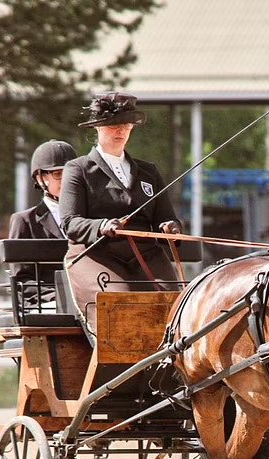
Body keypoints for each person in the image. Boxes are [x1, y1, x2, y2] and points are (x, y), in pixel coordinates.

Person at [59, 91, 183, 334]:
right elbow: (70, 222)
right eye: (113, 125)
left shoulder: (149, 172)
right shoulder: (78, 169)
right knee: (122, 310)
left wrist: (171, 227)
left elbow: (165, 217)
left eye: (126, 125)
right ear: (97, 129)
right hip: (97, 254)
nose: (121, 131)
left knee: (176, 306)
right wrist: (101, 226)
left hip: (145, 255)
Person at [7, 139, 77, 302]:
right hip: (47, 304)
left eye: (71, 173)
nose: (66, 180)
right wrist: (57, 299)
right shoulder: (24, 221)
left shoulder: (90, 216)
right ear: (40, 178)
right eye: (58, 174)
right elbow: (22, 279)